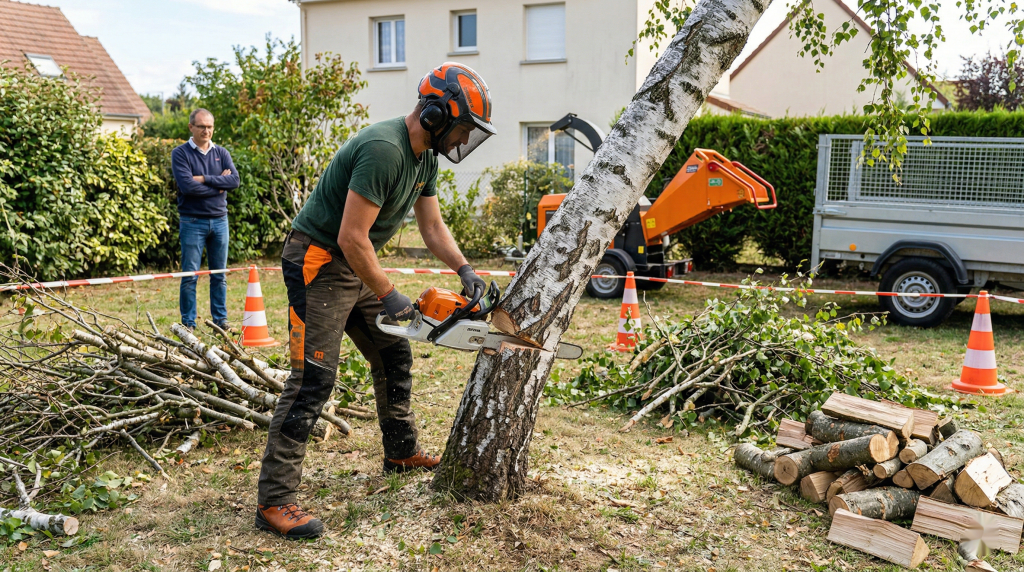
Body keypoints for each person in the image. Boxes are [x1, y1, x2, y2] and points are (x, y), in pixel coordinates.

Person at [255, 62, 495, 539]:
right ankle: (274, 501)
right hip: (319, 260)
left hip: (352, 260)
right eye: (462, 127)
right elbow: (350, 236)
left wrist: (465, 269)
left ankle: (401, 452)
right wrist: (390, 295)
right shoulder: (385, 150)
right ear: (434, 114)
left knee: (393, 354)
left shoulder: (424, 156)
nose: (462, 138)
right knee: (312, 380)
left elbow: (431, 227)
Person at [171, 109, 239, 332]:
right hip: (192, 221)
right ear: (191, 127)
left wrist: (205, 179)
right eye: (201, 126)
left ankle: (220, 321)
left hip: (220, 221)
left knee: (219, 275)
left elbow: (235, 180)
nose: (206, 131)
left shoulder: (222, 152)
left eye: (209, 126)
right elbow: (187, 187)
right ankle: (188, 324)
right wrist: (219, 184)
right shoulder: (180, 154)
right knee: (190, 275)